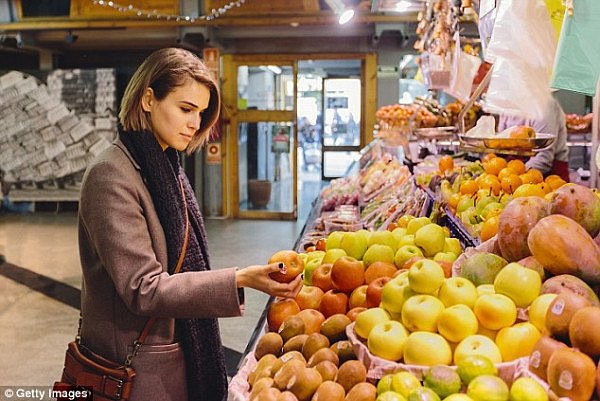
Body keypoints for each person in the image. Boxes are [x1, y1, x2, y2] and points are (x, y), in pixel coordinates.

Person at [77, 48, 302, 401]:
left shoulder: (167, 167)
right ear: (148, 98)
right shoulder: (112, 175)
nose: (195, 123)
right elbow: (143, 289)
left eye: (201, 112)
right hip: (132, 364)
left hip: (170, 353)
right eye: (185, 109)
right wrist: (239, 278)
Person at [497, 97, 570, 181]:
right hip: (511, 175)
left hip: (548, 177)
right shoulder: (506, 106)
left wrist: (516, 178)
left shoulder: (544, 105)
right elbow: (501, 144)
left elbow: (544, 158)